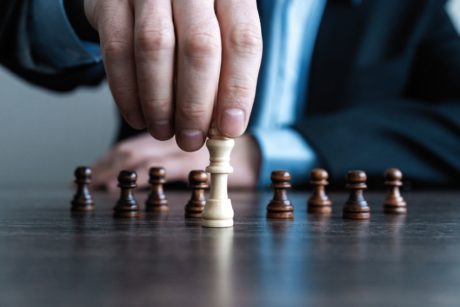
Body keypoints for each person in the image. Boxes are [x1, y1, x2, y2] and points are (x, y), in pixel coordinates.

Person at [1, 0, 459, 189]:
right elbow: (18, 29)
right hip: (151, 240)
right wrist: (86, 11)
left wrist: (265, 152)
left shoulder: (411, 10)